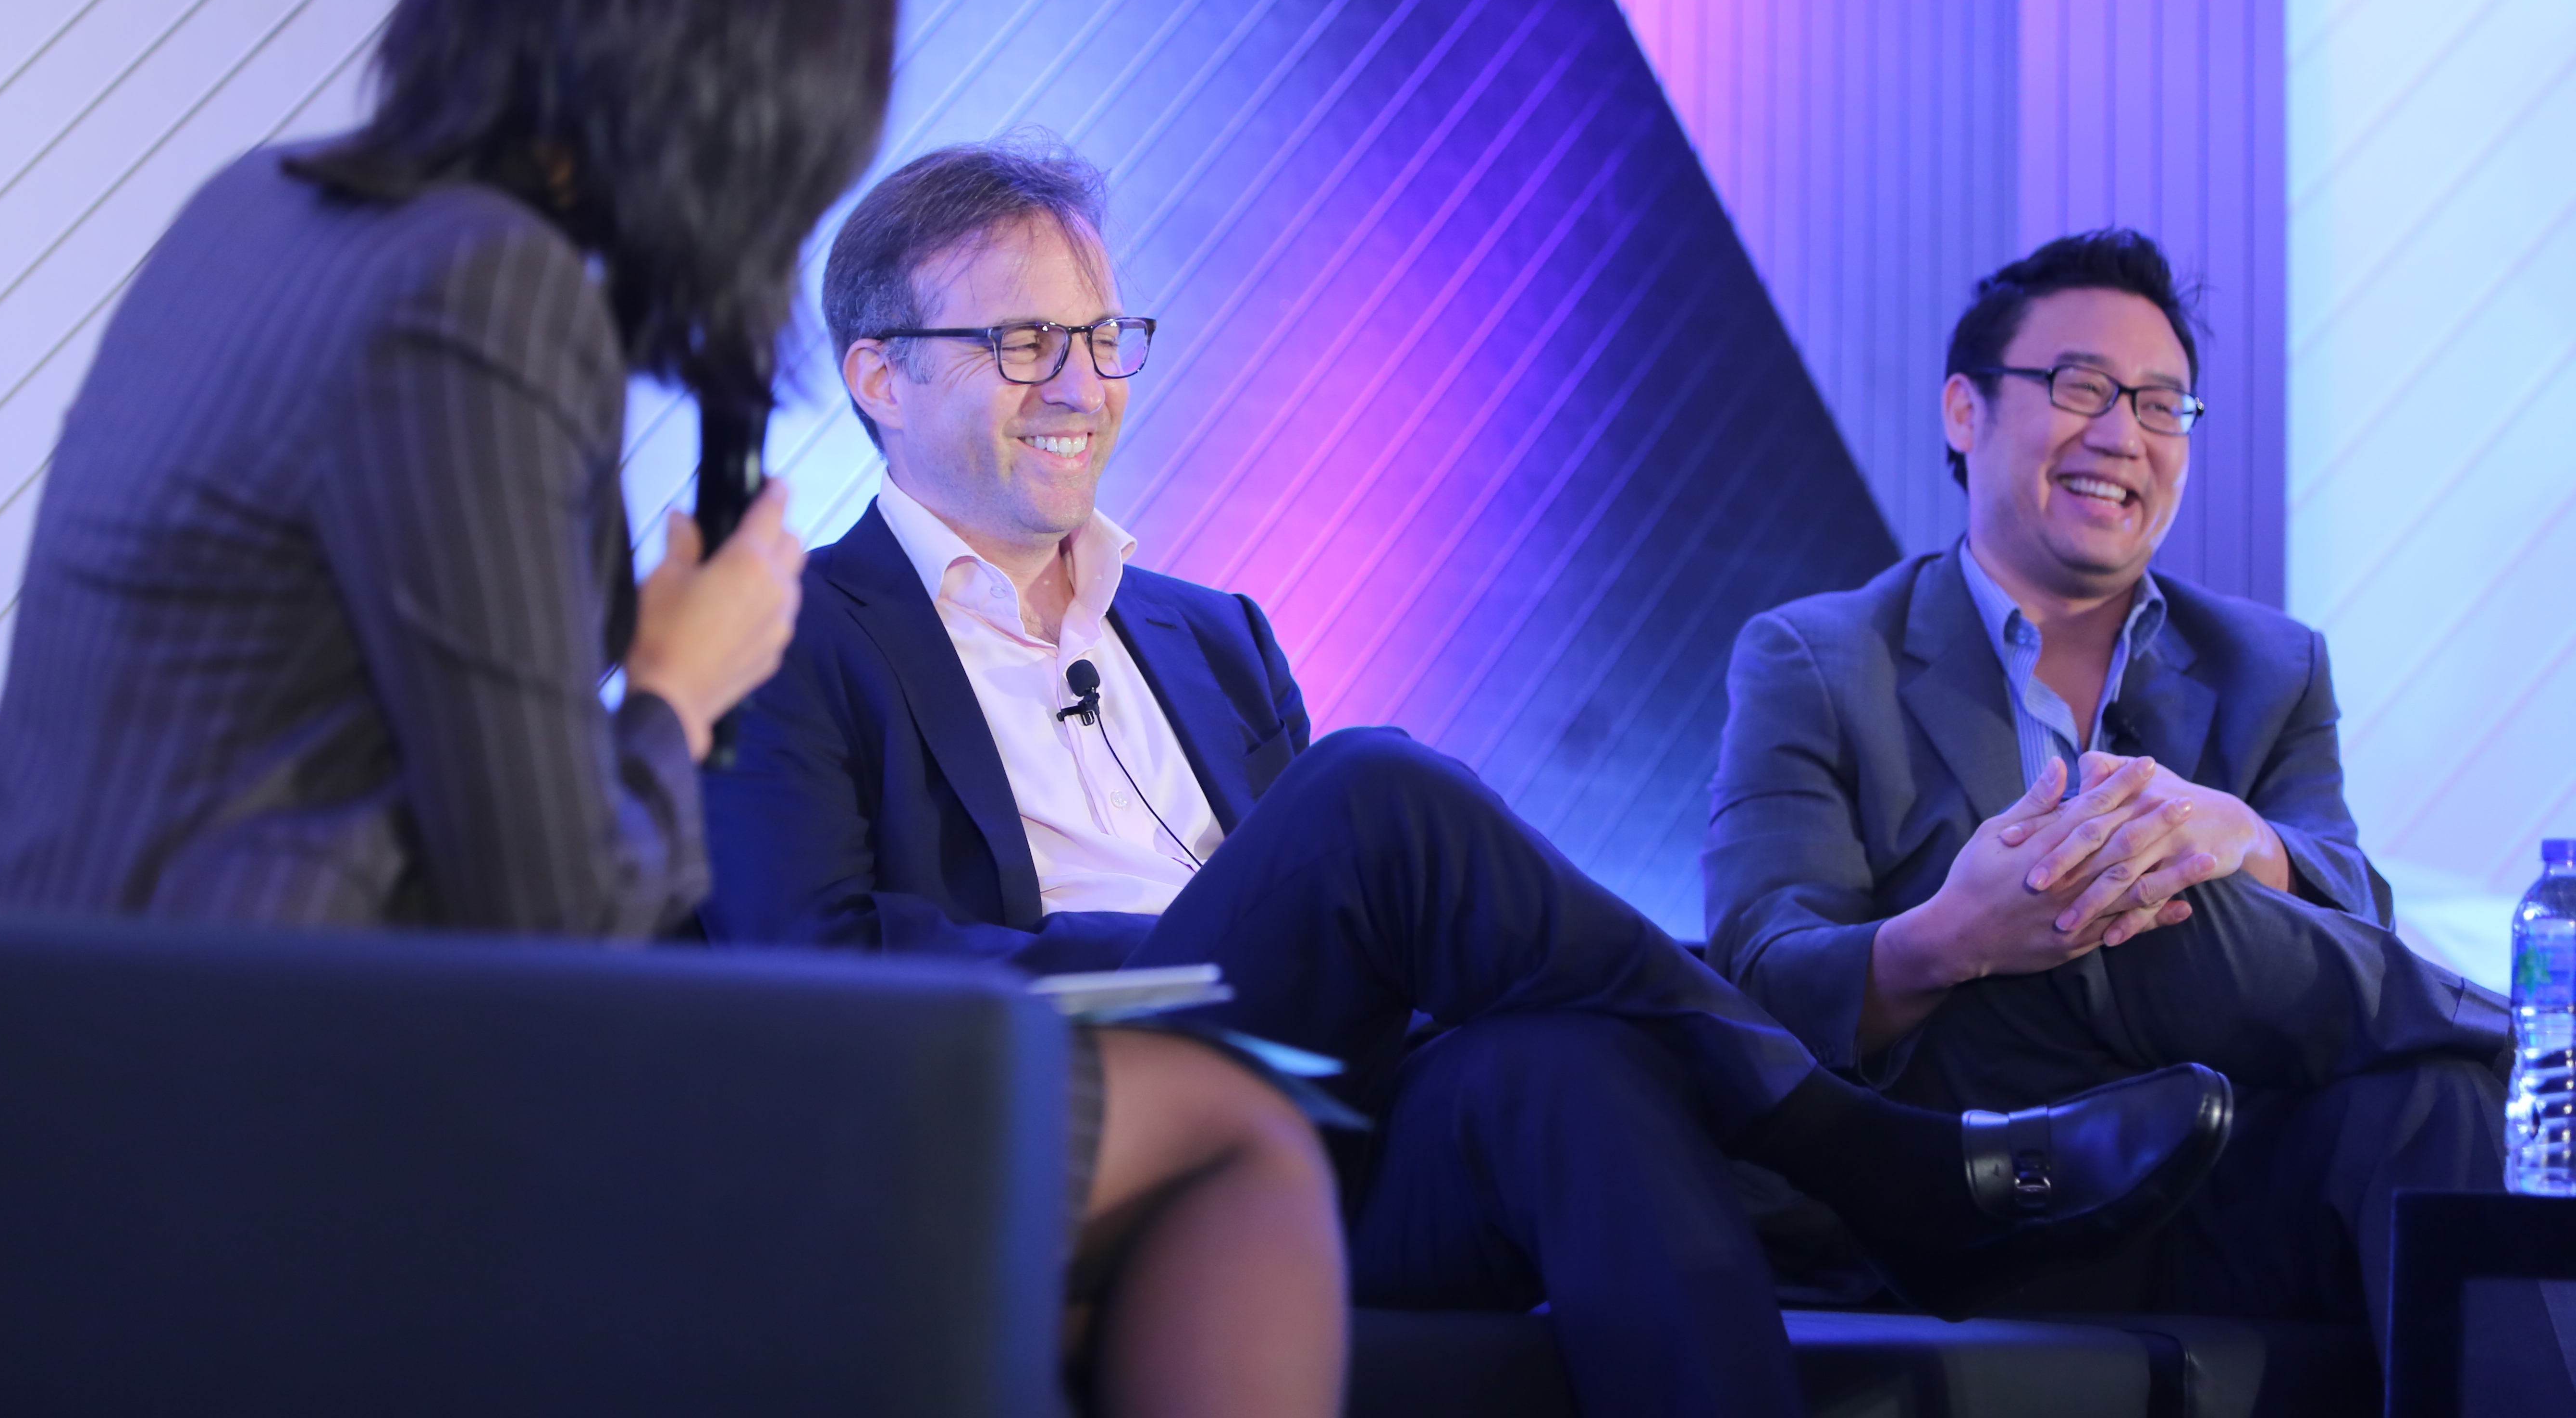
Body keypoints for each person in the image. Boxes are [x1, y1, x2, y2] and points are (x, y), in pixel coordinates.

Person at [0, 0, 1344, 1418]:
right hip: (275, 1119)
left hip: (34, 1084)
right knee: (1235, 1139)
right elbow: (556, 928)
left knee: (1035, 1275)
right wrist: (679, 685)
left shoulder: (268, 202)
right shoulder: (485, 289)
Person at [701, 138, 2241, 1418]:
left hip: (1295, 1131)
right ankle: (1863, 1153)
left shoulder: (1209, 634)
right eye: (1025, 344)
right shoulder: (792, 633)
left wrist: (1333, 965)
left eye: (1106, 341)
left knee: (1566, 1069)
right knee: (1371, 795)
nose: (1081, 386)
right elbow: (805, 969)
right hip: (1042, 1118)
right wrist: (1168, 954)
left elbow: (1343, 962)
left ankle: (1846, 1190)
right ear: (881, 377)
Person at [1703, 228, 2511, 1347]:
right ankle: (2523, 1040)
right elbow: (1755, 984)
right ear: (1965, 411)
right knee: (2115, 896)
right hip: (1976, 1190)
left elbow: (2348, 922)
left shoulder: (2271, 666)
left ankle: (2500, 1068)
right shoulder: (1819, 659)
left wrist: (2242, 838)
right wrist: (1952, 937)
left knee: (2433, 1093)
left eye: (2161, 405)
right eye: (2081, 387)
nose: (2123, 434)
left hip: (2223, 1186)